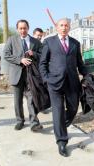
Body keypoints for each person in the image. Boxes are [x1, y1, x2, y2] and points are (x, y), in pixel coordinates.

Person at [39, 18, 88, 157]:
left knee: (73, 108)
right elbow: (42, 63)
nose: (64, 27)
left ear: (69, 27)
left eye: (66, 25)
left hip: (72, 82)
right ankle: (61, 141)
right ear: (57, 27)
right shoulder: (49, 42)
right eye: (61, 25)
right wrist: (46, 79)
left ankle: (60, 125)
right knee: (58, 110)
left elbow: (80, 63)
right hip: (54, 83)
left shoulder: (75, 43)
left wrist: (87, 76)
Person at [4, 19, 43, 132]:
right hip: (16, 74)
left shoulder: (35, 41)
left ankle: (34, 122)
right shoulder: (12, 40)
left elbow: (43, 55)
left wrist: (34, 54)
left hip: (31, 75)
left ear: (28, 28)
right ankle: (20, 121)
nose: (23, 30)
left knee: (31, 98)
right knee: (18, 100)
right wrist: (20, 60)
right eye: (20, 28)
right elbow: (6, 55)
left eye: (24, 28)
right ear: (17, 29)